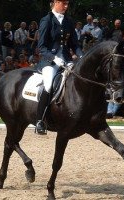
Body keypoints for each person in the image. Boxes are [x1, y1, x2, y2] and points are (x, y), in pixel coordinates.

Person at [36, 0, 83, 134]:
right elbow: (41, 47)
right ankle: (40, 120)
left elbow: (75, 45)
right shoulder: (46, 20)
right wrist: (54, 58)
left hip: (67, 60)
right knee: (49, 84)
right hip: (50, 61)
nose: (66, 6)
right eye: (64, 4)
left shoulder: (68, 21)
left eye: (68, 4)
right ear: (56, 2)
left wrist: (82, 56)